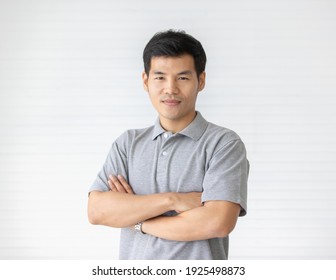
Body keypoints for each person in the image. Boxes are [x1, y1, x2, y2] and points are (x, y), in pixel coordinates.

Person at [87, 29, 249, 260]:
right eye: (160, 77)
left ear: (200, 80)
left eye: (182, 77)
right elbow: (96, 211)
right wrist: (173, 200)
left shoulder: (223, 144)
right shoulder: (127, 144)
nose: (170, 89)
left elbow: (217, 222)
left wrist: (137, 220)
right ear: (146, 80)